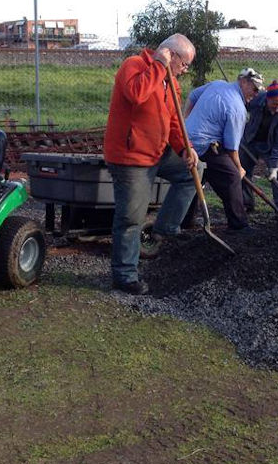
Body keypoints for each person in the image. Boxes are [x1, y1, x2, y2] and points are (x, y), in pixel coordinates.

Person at [103, 33, 199, 295]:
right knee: (130, 218)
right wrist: (158, 65)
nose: (185, 70)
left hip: (157, 152)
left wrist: (185, 148)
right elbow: (136, 94)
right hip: (131, 156)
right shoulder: (134, 65)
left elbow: (174, 121)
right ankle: (125, 276)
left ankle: (165, 227)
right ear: (171, 55)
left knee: (193, 171)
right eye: (184, 64)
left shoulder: (171, 83)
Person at [183, 67, 262, 232]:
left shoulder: (217, 84)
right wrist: (239, 168)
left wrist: (185, 122)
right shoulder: (237, 108)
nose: (255, 94)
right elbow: (232, 148)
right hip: (204, 145)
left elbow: (193, 95)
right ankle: (239, 225)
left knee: (196, 178)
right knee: (232, 177)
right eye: (254, 89)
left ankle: (184, 222)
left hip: (186, 142)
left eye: (258, 91)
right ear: (243, 82)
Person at [240, 79, 278, 213]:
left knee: (276, 174)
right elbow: (242, 105)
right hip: (250, 139)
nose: (277, 108)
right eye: (274, 104)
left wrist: (274, 166)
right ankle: (246, 203)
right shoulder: (257, 100)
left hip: (270, 145)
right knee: (243, 170)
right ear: (267, 99)